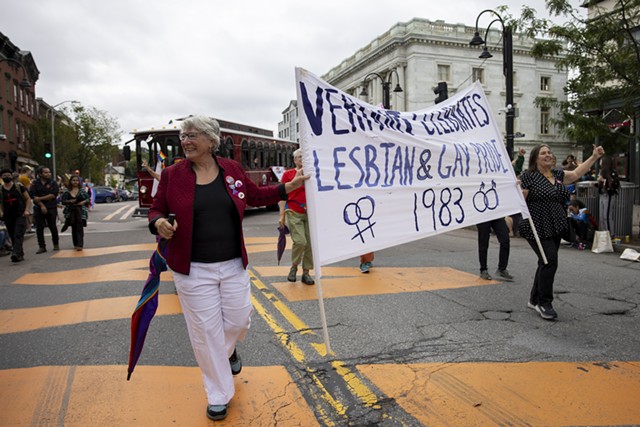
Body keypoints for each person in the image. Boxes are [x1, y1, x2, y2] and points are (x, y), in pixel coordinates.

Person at [148, 116, 308, 421]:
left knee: (238, 319)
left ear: (211, 140)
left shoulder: (231, 169)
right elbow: (157, 207)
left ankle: (229, 350)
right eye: (184, 135)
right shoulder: (172, 174)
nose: (186, 140)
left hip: (233, 263)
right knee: (205, 333)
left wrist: (289, 186)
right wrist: (159, 222)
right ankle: (218, 393)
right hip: (192, 269)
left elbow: (256, 196)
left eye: (193, 135)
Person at [518, 144, 604, 320]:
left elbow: (577, 174)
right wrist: (516, 189)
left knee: (545, 261)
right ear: (535, 158)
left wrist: (594, 156)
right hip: (536, 226)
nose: (548, 155)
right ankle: (545, 303)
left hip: (556, 225)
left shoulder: (557, 174)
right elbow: (521, 201)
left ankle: (534, 299)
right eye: (543, 153)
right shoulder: (528, 176)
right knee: (550, 261)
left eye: (549, 152)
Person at [279, 148, 314, 285]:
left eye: (303, 156)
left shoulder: (312, 174)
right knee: (301, 241)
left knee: (310, 244)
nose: (301, 158)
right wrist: (281, 214)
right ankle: (294, 267)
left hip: (310, 213)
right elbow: (282, 196)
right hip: (294, 211)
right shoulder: (288, 175)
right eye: (299, 156)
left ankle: (306, 273)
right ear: (294, 160)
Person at [1, 168, 32, 262]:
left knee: (18, 233)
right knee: (12, 234)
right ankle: (19, 254)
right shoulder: (0, 189)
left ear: (12, 176)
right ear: (1, 177)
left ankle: (15, 252)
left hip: (20, 214)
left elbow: (27, 199)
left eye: (8, 175)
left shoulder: (19, 186)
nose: (7, 176)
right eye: (4, 175)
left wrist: (26, 210)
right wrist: (1, 213)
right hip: (7, 215)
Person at [31, 167, 60, 253]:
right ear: (40, 174)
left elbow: (53, 194)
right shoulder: (35, 183)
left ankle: (56, 244)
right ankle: (42, 246)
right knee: (39, 227)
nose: (48, 174)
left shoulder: (53, 183)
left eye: (49, 172)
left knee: (52, 226)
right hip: (39, 208)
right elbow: (33, 195)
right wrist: (41, 205)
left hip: (51, 207)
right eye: (45, 172)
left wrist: (40, 198)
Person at [61, 175, 90, 251]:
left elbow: (88, 199)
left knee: (79, 227)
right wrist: (70, 201)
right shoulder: (67, 191)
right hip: (71, 211)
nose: (75, 182)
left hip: (80, 211)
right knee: (73, 227)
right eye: (73, 180)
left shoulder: (82, 191)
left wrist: (83, 202)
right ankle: (76, 244)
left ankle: (80, 244)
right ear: (70, 181)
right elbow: (63, 201)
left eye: (77, 180)